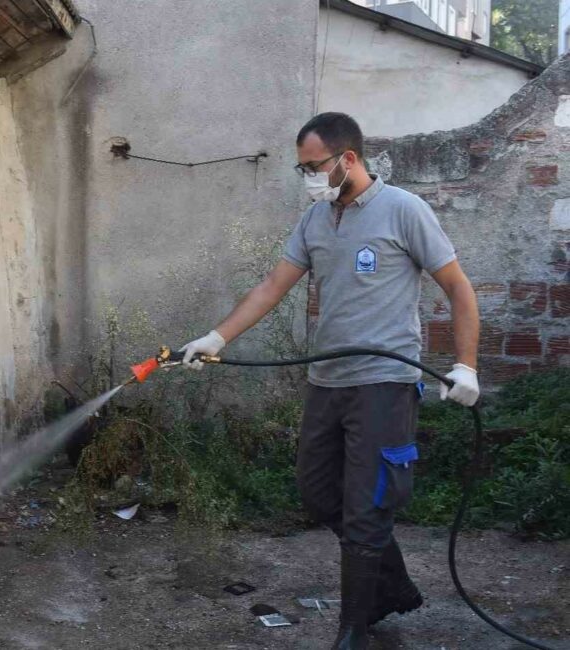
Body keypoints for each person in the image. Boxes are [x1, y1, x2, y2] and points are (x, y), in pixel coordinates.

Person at [179, 112, 480, 650]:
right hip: (327, 379)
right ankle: (392, 585)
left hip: (385, 381)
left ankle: (352, 630)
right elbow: (274, 286)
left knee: (366, 507)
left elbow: (458, 288)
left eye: (313, 167)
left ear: (348, 159)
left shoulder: (404, 210)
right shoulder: (316, 219)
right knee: (319, 494)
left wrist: (466, 366)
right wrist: (216, 338)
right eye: (302, 170)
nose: (308, 178)